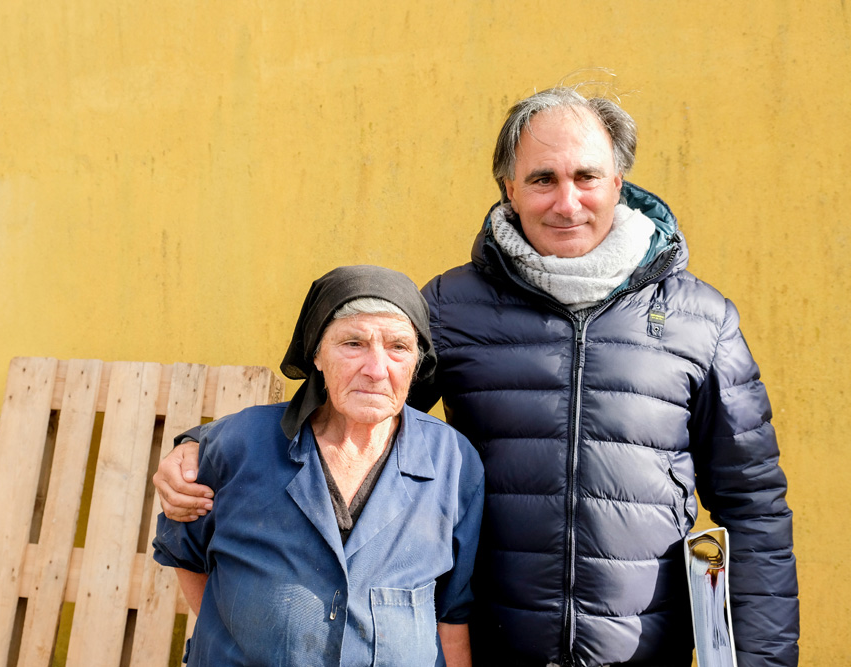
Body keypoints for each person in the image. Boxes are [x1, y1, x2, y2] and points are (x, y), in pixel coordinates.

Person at [156, 87, 798, 666]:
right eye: (542, 178)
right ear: (507, 188)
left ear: (619, 180)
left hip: (643, 651)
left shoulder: (700, 320)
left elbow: (754, 506)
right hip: (490, 645)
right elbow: (346, 413)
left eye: (587, 176)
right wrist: (198, 450)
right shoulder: (453, 308)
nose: (567, 201)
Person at [152, 264, 484, 666]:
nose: (377, 369)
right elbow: (184, 553)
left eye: (398, 347)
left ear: (416, 362)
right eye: (353, 344)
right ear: (316, 355)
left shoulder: (452, 461)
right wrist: (239, 638)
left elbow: (451, 613)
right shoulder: (241, 444)